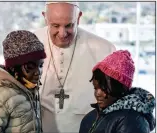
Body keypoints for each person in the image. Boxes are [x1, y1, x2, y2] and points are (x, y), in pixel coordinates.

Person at [34, 1, 116, 132]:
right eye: (55, 25)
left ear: (79, 18)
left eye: (69, 25)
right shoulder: (30, 43)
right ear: (45, 17)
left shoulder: (104, 49)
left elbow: (115, 101)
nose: (62, 33)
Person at [0, 30, 46, 133]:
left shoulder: (29, 90)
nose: (38, 72)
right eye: (30, 67)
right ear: (13, 68)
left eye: (41, 65)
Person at [79, 50, 155, 133]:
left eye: (104, 88)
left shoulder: (131, 121)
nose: (98, 94)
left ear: (121, 87)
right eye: (95, 88)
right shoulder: (91, 116)